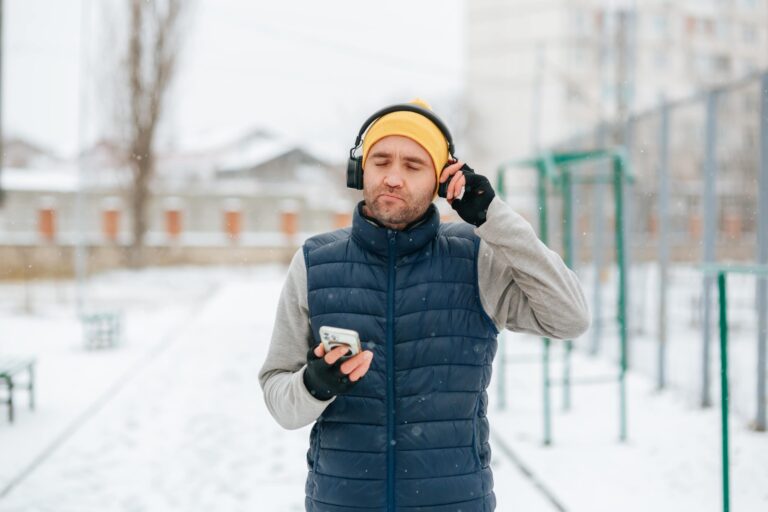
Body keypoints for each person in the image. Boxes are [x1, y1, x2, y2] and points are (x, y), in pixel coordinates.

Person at [259, 99, 590, 511]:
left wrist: (493, 217)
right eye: (381, 161)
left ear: (441, 180)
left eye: (413, 166)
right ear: (361, 170)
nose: (393, 178)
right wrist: (315, 384)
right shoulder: (314, 263)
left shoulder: (476, 259)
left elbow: (571, 317)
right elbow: (278, 397)